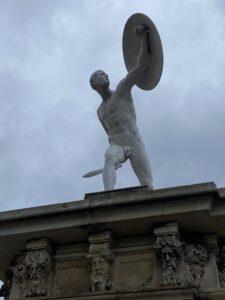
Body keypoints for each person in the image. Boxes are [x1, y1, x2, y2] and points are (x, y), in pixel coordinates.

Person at [90, 25, 153, 191]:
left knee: (147, 184)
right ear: (94, 83)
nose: (107, 76)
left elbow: (141, 66)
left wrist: (143, 38)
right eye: (102, 75)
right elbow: (109, 134)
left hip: (134, 141)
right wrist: (116, 157)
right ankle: (107, 199)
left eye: (106, 74)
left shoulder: (122, 90)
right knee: (109, 157)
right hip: (118, 145)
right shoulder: (100, 111)